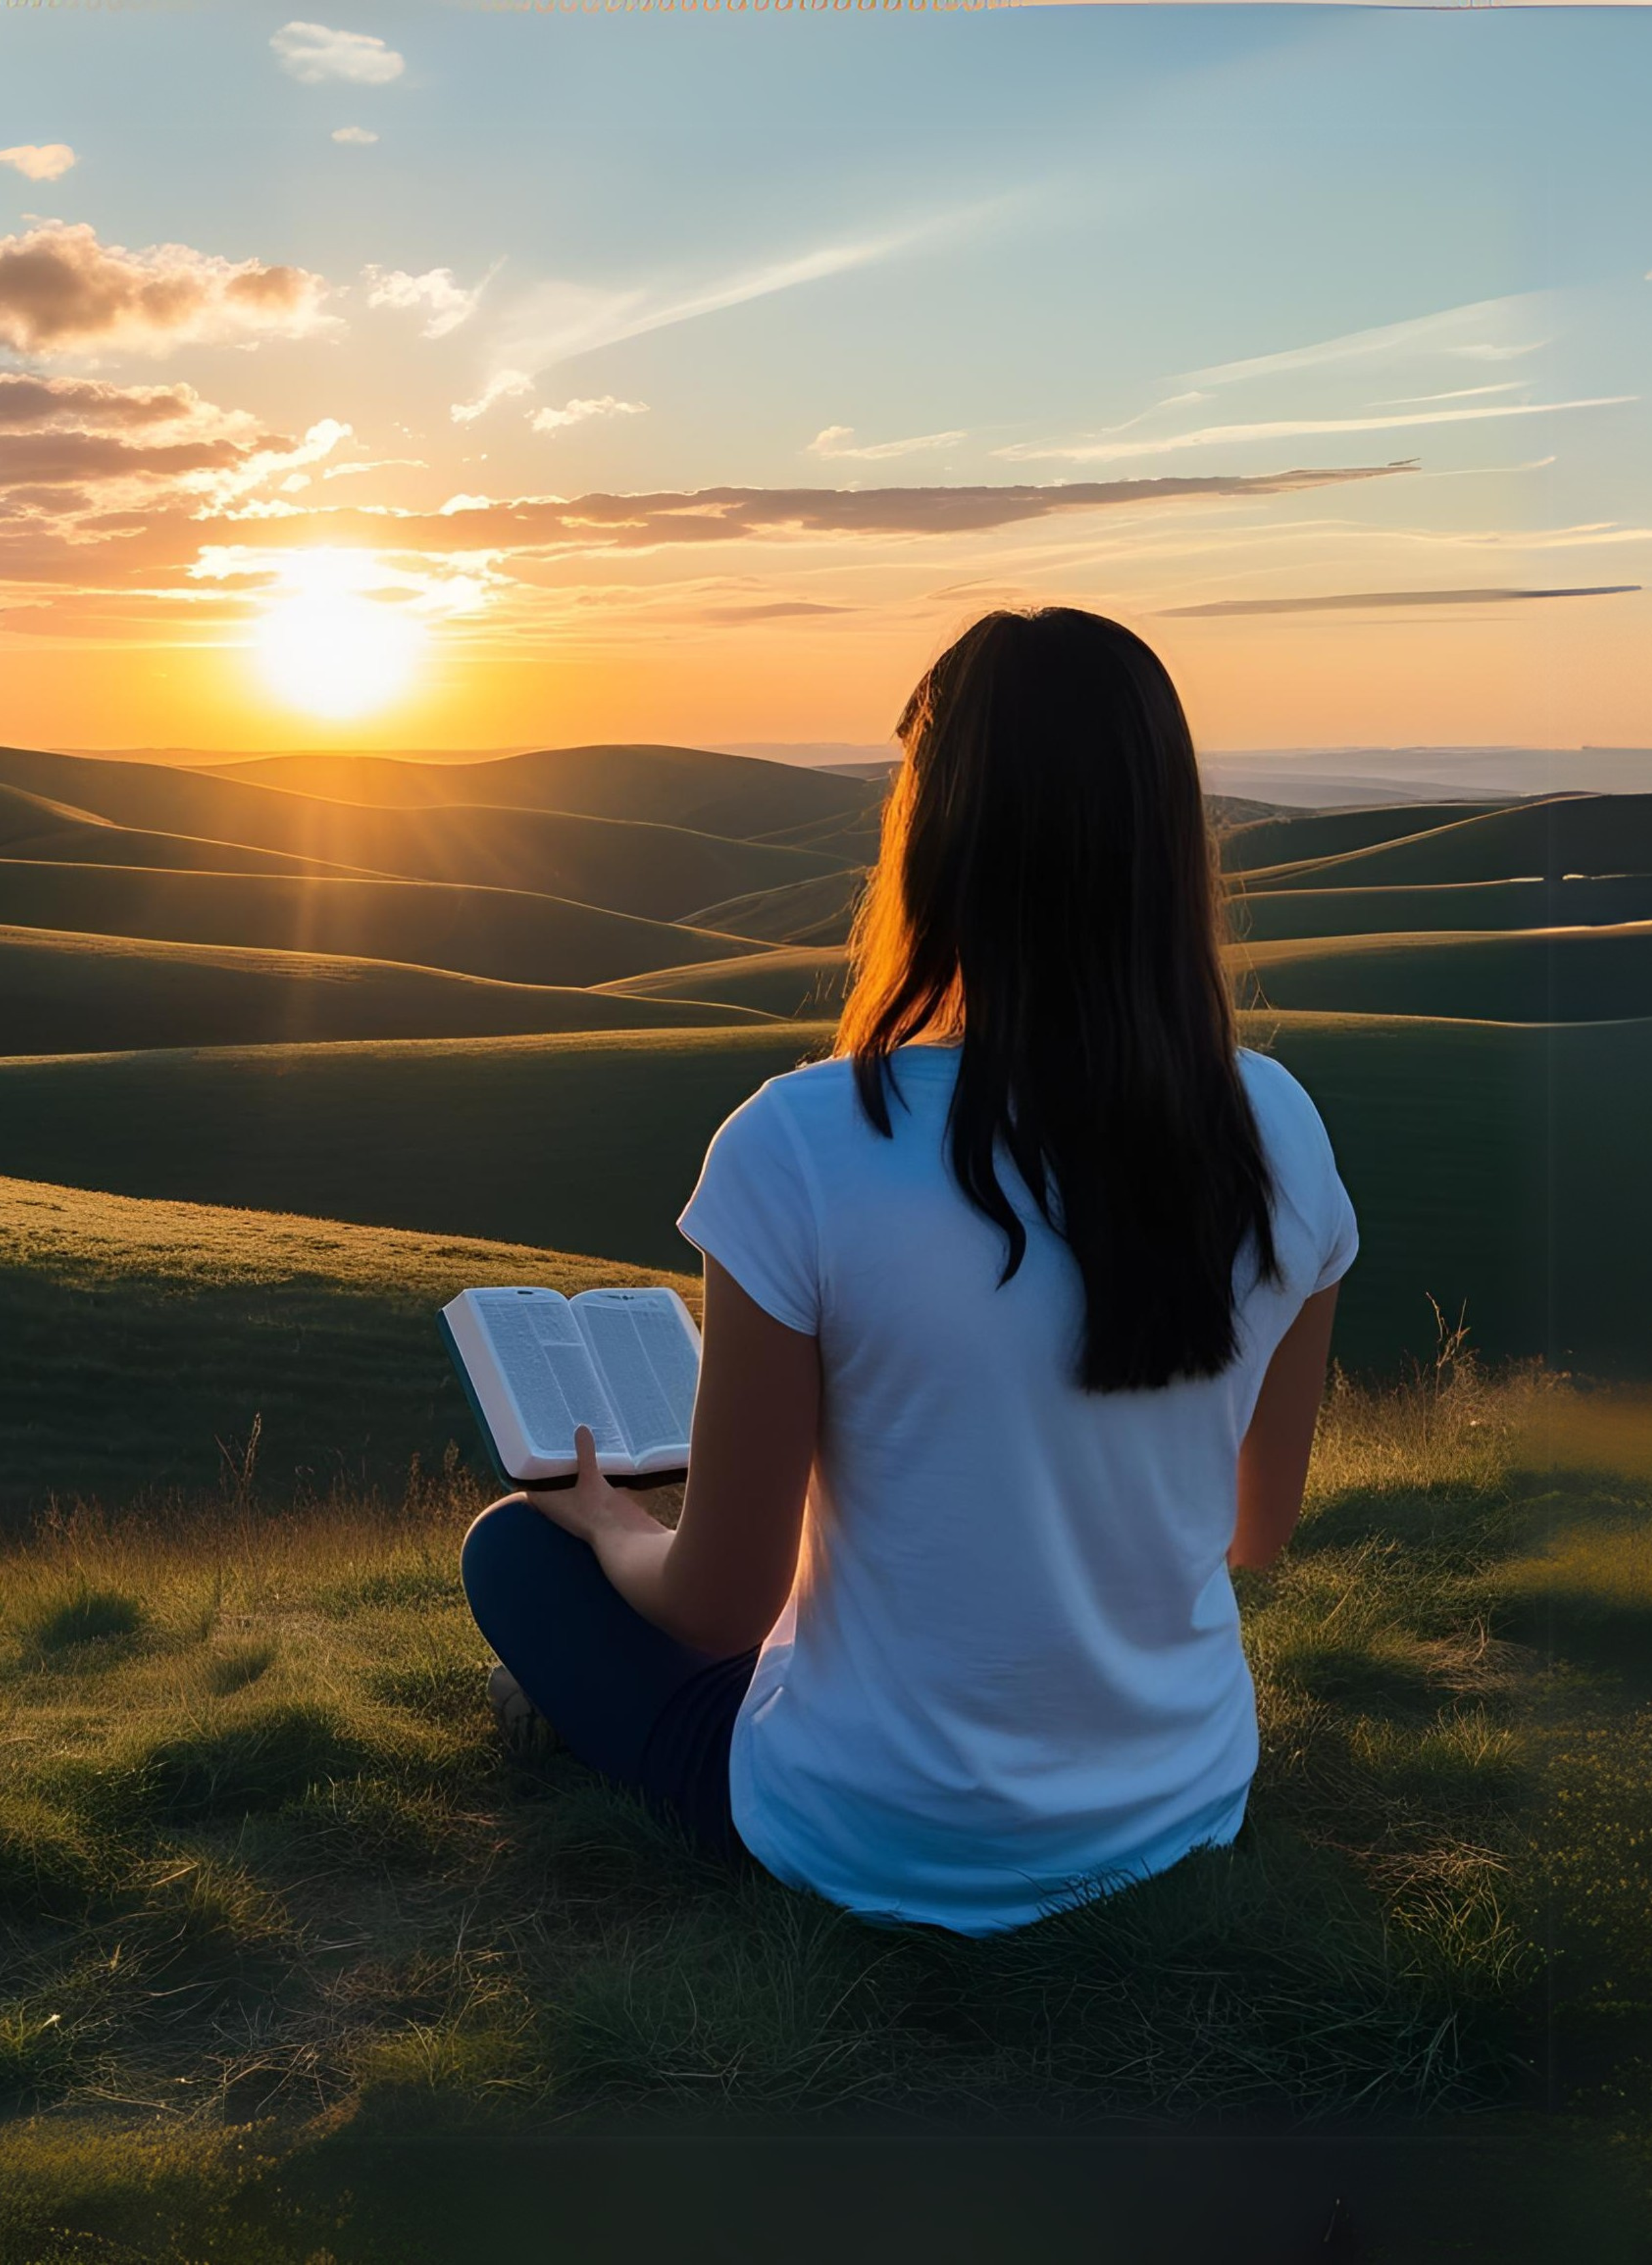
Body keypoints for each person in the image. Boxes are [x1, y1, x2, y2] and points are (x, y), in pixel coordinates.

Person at [459, 606, 1355, 1938]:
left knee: (512, 1556)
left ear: (931, 837)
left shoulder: (805, 1141)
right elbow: (1252, 1529)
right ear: (1167, 840)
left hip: (870, 1833)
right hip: (1177, 1805)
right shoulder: (1272, 1123)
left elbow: (716, 1605)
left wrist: (610, 1522)